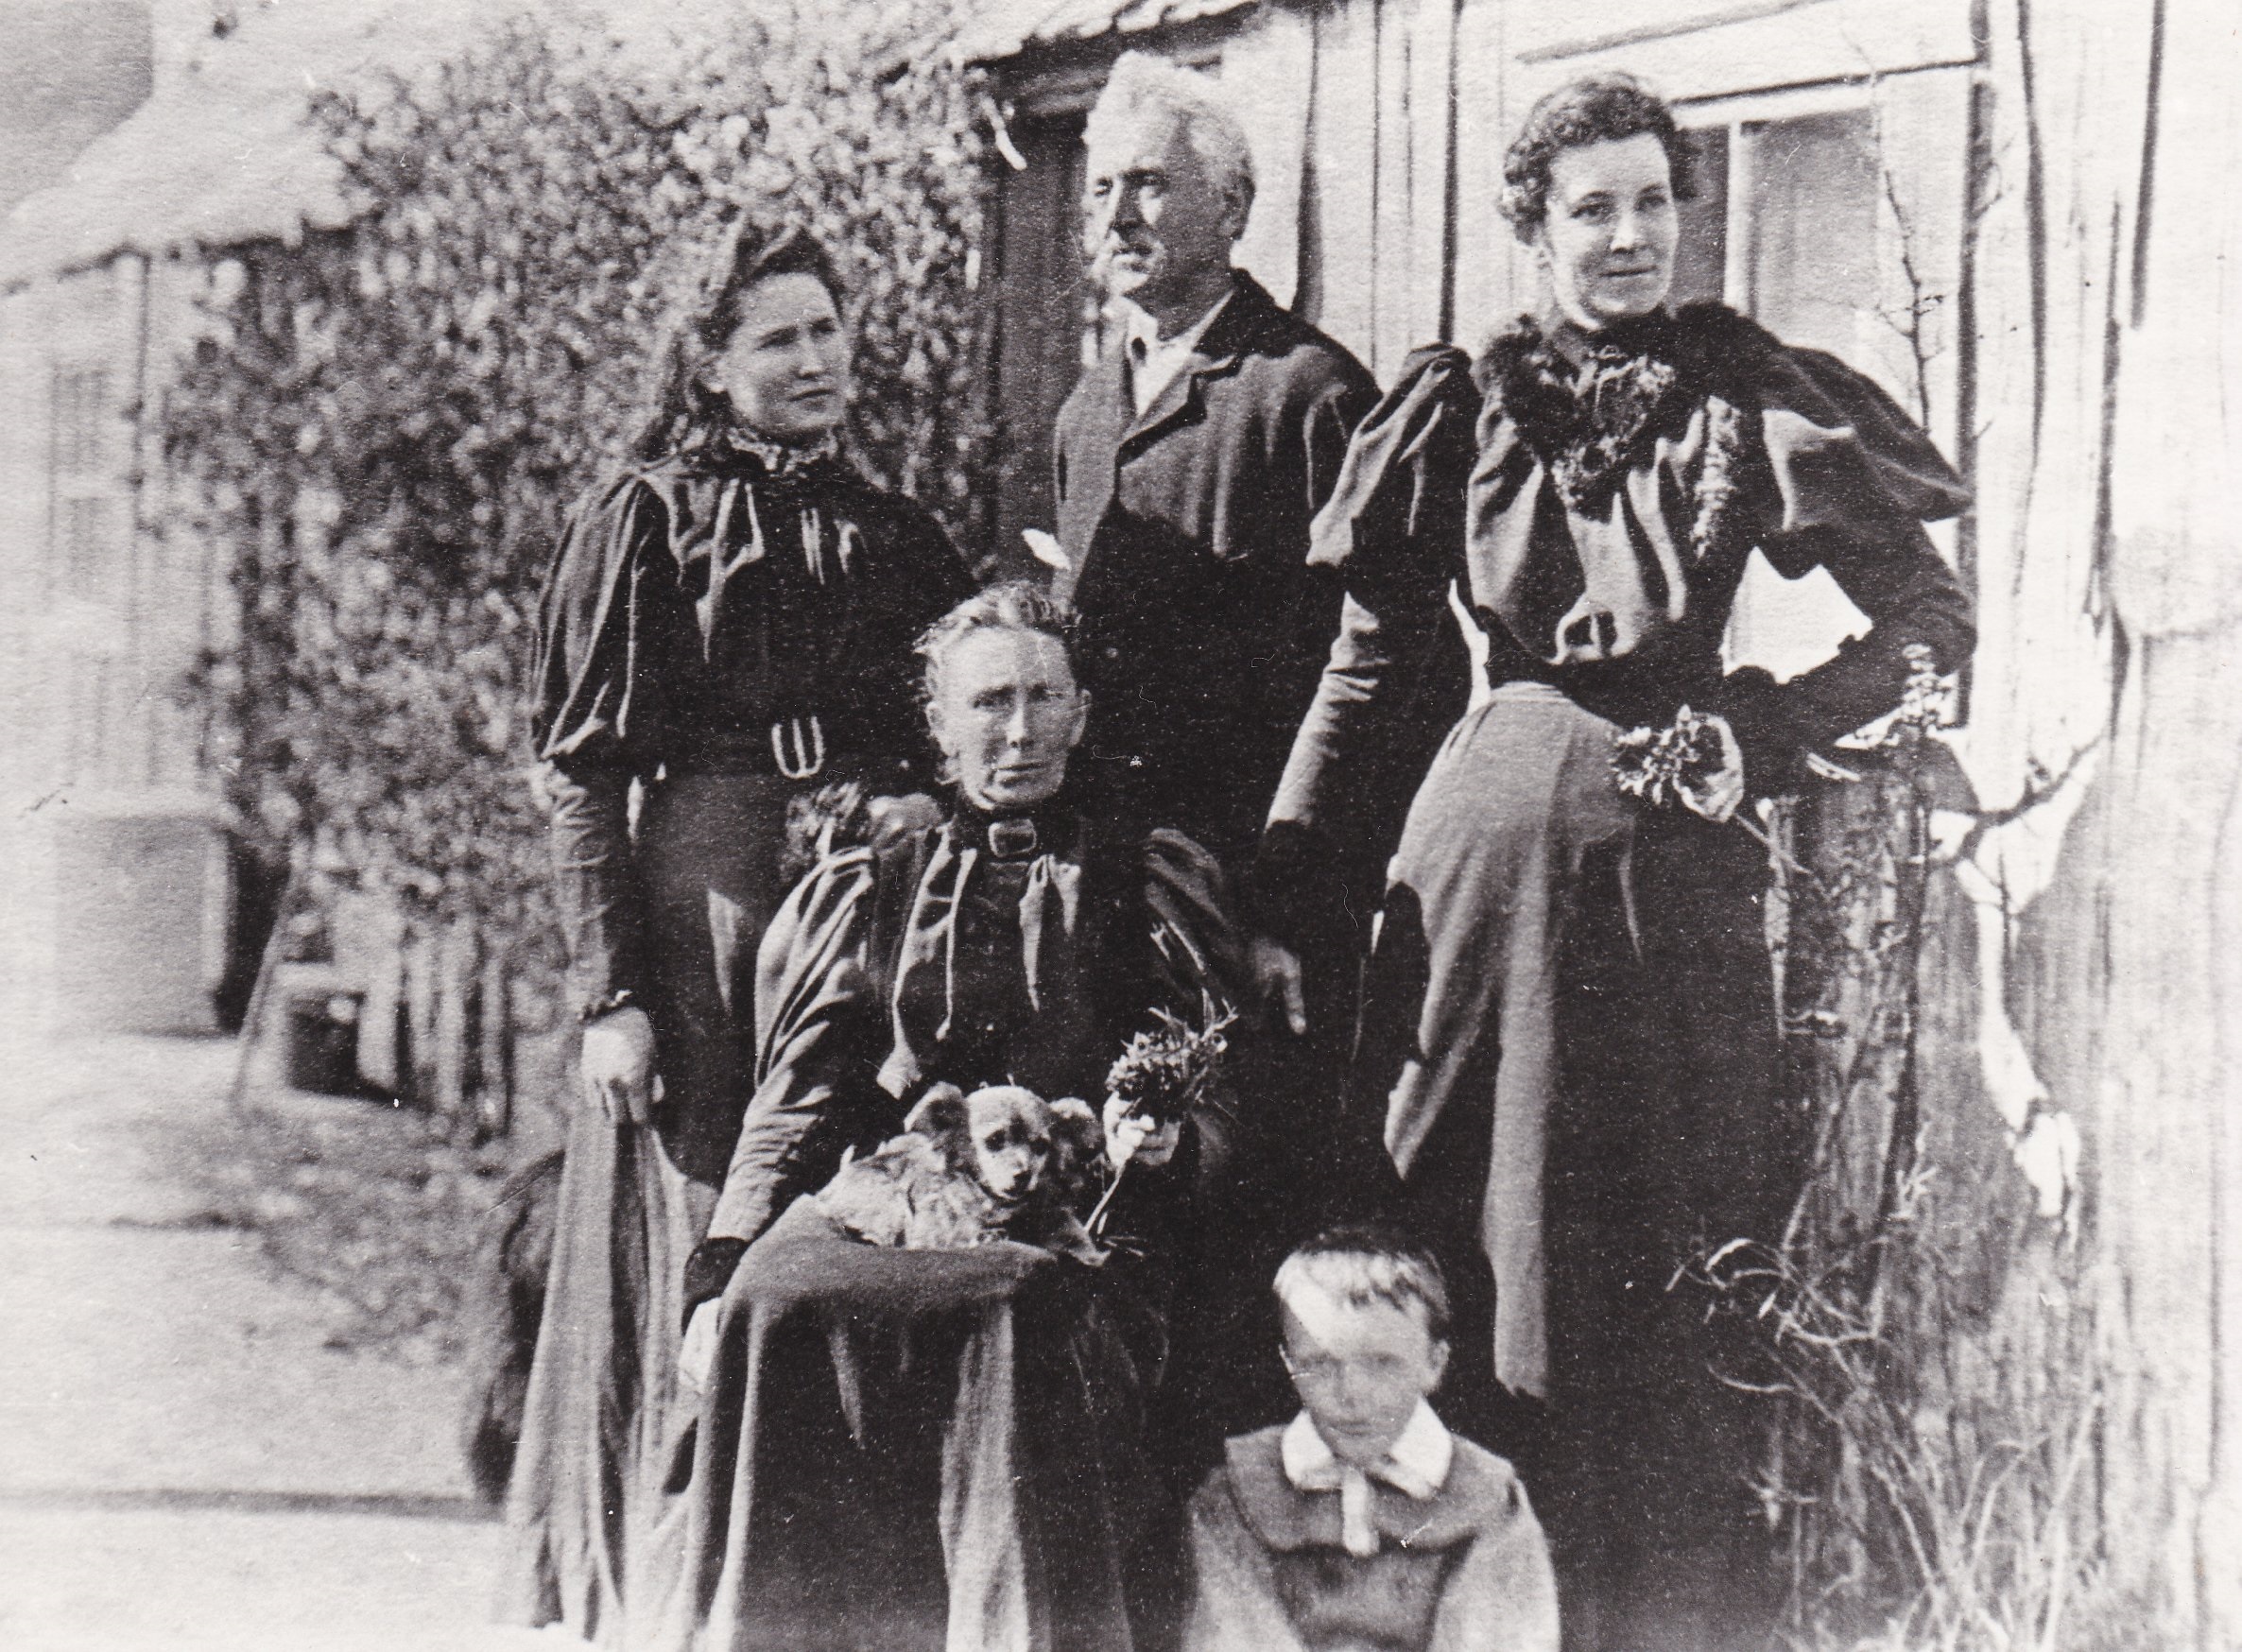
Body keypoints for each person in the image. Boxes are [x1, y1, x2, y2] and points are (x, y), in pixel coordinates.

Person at [1260, 75, 1975, 1650]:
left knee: (1652, 1264)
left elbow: (1927, 627)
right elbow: (1372, 667)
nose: (1631, 234)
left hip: (1667, 888)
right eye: (1592, 207)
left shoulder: (1746, 395)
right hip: (1469, 892)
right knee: (1451, 1242)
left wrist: (1765, 734)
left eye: (1654, 200)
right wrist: (1289, 868)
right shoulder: (1459, 403)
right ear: (1532, 227)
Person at [500, 220, 974, 1646]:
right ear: (710, 366)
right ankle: (665, 1585)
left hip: (863, 901)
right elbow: (581, 775)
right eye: (777, 339)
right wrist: (611, 996)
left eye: (828, 331)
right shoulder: (646, 518)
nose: (815, 361)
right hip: (713, 911)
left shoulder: (894, 529)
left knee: (837, 1208)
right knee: (707, 1227)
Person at [675, 581, 1250, 1648]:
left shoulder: (1141, 872)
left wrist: (1164, 1144)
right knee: (773, 1295)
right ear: (939, 726)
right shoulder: (880, 873)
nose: (1020, 729)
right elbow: (796, 1094)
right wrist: (718, 1260)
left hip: (1075, 1209)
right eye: (989, 702)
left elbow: (1214, 1095)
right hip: (894, 1195)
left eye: (1044, 696)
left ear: (1082, 710)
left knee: (1016, 1304)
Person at [1182, 1225, 1560, 1652]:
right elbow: (1234, 1634)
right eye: (1320, 1364)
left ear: (1434, 1364)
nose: (1351, 1394)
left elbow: (1504, 1637)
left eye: (1382, 1364)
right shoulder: (1236, 1494)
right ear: (1289, 1363)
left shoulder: (1488, 1498)